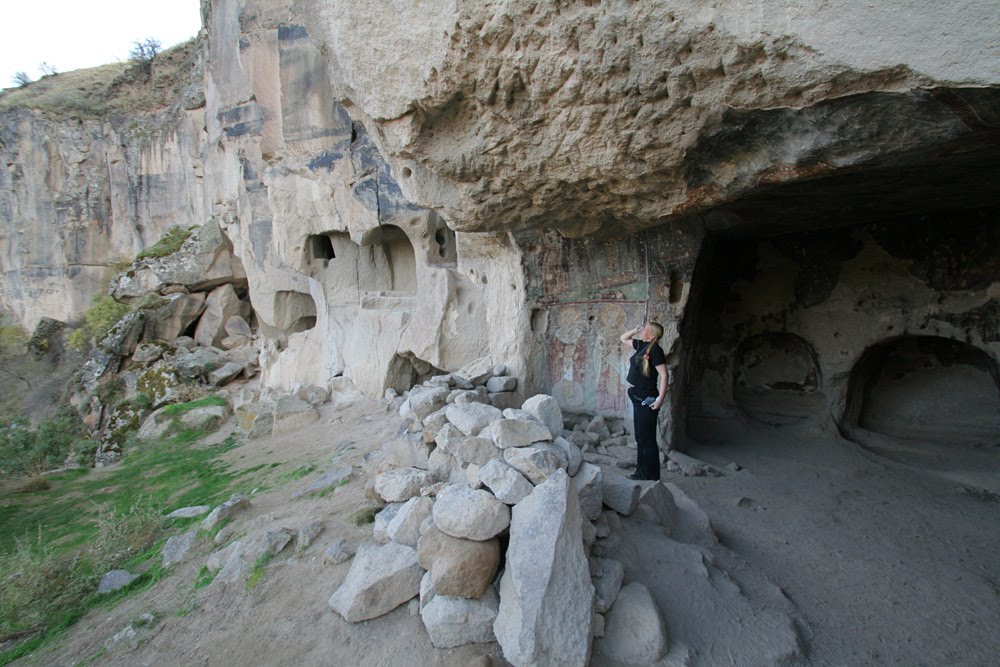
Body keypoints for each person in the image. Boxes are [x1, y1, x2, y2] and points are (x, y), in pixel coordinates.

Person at [620, 321, 668, 481]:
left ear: (652, 335)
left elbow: (664, 375)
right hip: (636, 395)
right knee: (640, 437)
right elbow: (623, 338)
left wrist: (660, 399)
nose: (643, 330)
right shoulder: (641, 345)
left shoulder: (656, 350)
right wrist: (635, 328)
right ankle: (641, 472)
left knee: (647, 439)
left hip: (647, 398)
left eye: (645, 329)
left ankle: (652, 476)